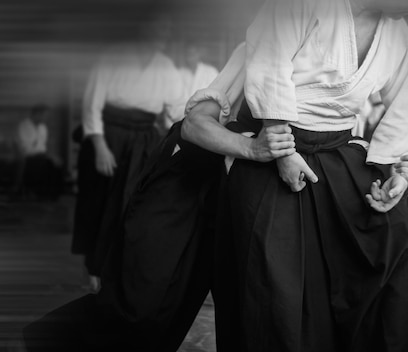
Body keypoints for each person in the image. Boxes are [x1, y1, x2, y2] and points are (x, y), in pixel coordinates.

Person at [183, 0, 408, 350]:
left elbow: (406, 101)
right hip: (271, 150)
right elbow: (261, 77)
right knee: (275, 282)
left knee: (402, 243)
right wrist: (276, 150)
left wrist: (400, 168)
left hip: (337, 152)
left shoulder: (399, 35)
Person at [22, 44, 298, 352]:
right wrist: (249, 145)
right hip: (190, 163)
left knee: (185, 291)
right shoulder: (261, 44)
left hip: (232, 182)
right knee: (141, 293)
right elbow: (194, 122)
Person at [71, 15, 185, 292]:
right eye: (158, 26)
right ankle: (93, 267)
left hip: (144, 140)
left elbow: (175, 113)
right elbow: (92, 105)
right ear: (142, 27)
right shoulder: (114, 56)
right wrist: (99, 147)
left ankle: (115, 265)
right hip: (108, 135)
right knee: (99, 200)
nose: (162, 34)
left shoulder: (166, 67)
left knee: (129, 202)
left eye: (166, 29)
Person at [13, 105, 64, 200]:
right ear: (37, 114)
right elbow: (26, 148)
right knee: (42, 162)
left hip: (40, 155)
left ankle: (52, 194)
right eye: (45, 115)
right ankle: (35, 192)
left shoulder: (43, 127)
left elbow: (43, 146)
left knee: (56, 163)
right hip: (27, 156)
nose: (46, 118)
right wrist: (46, 156)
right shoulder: (24, 126)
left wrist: (50, 156)